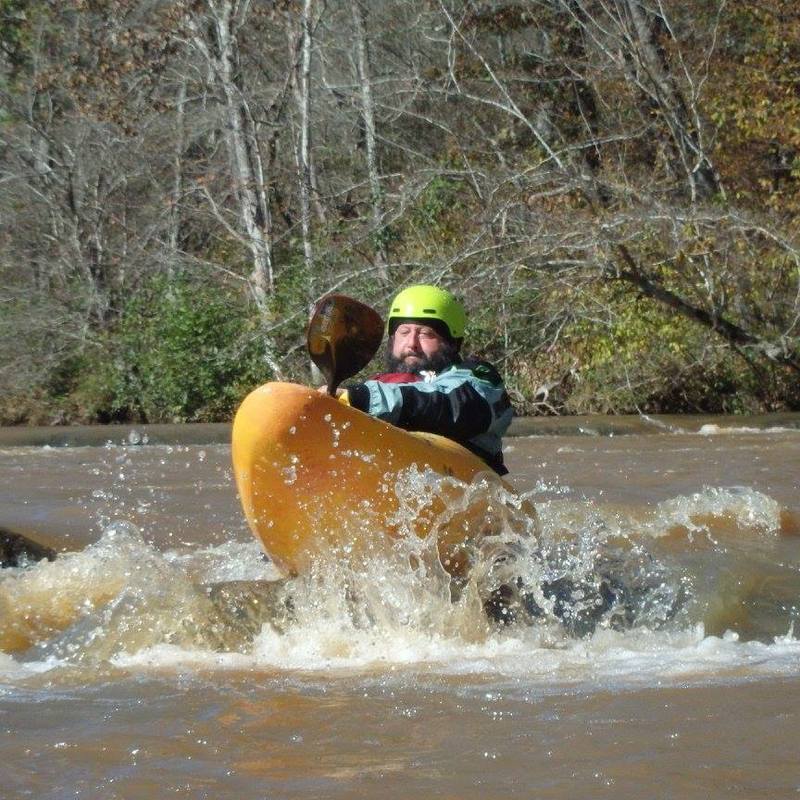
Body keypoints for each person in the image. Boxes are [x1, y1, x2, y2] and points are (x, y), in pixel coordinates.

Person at [330, 285, 513, 475]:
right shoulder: (379, 385)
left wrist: (364, 398)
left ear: (452, 342)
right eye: (404, 332)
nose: (411, 343)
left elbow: (448, 406)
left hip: (467, 484)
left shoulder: (479, 380)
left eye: (426, 334)